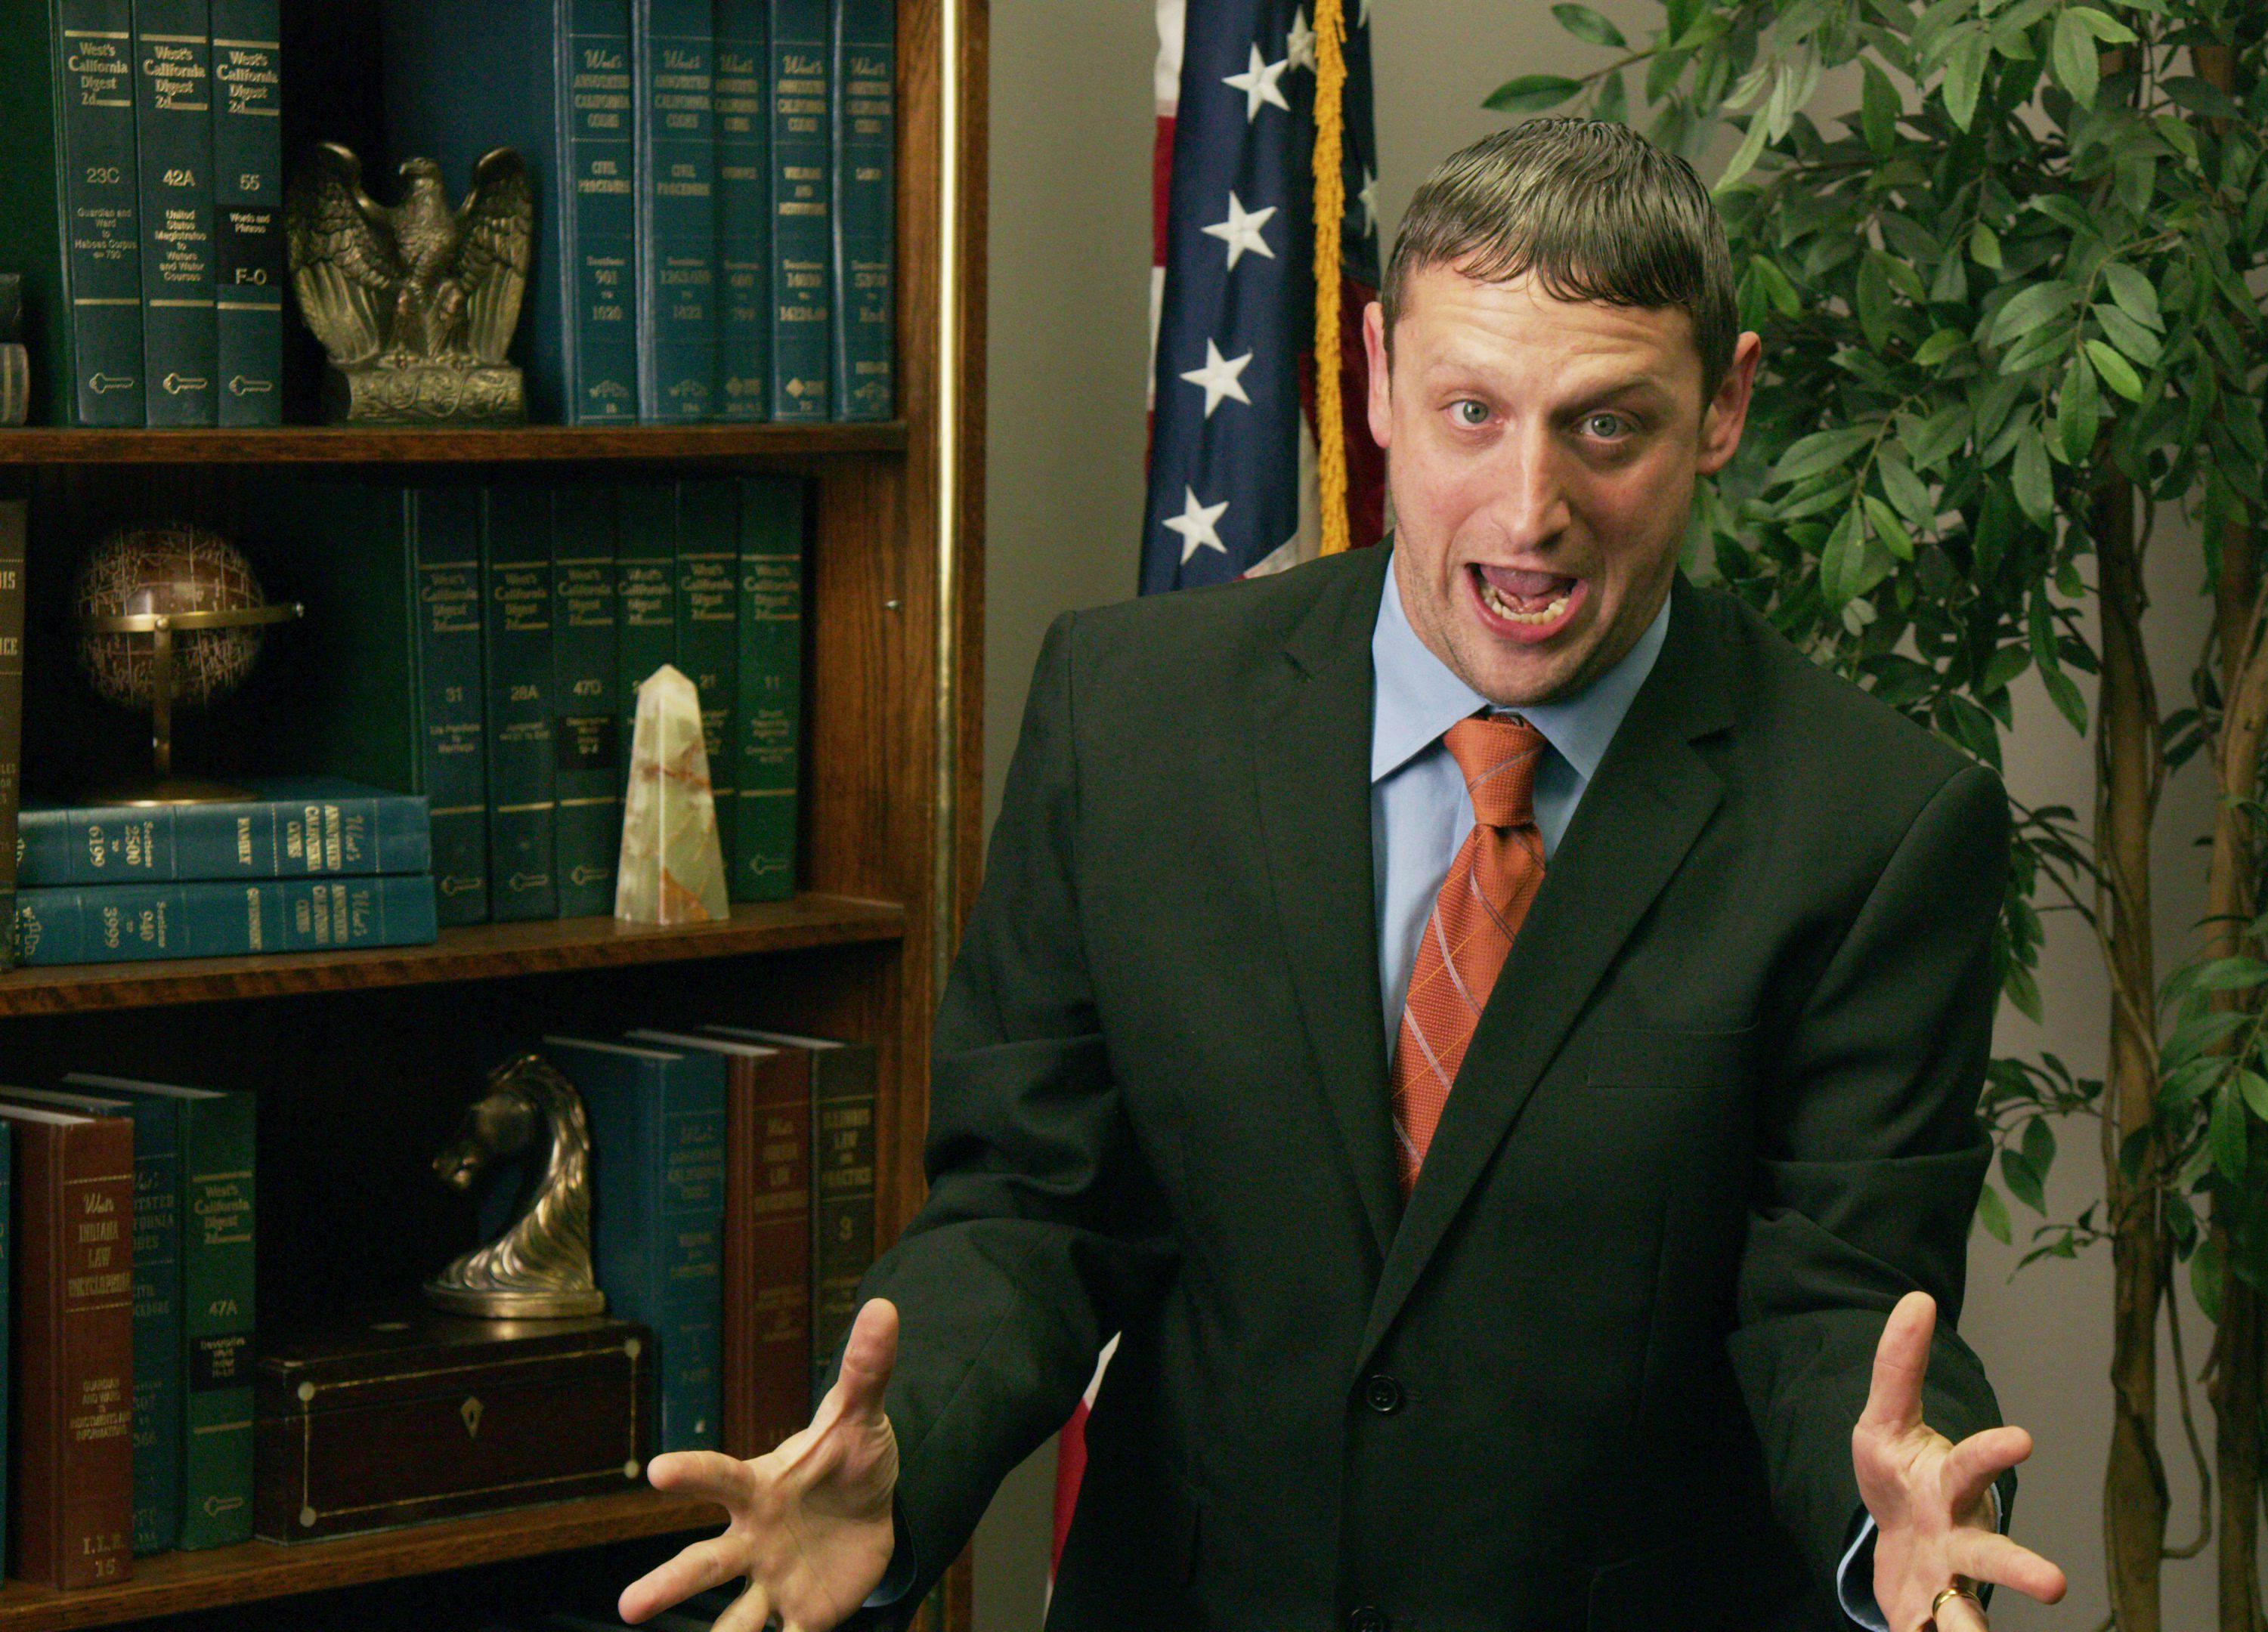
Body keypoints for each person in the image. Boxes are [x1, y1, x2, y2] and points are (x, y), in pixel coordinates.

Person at [619, 117, 2066, 1632]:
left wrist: (1897, 1496)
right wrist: (906, 1456)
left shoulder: (1877, 825)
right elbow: (1033, 1207)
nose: (1530, 510)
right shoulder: (1127, 716)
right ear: (1374, 376)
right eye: (1468, 411)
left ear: (1725, 406)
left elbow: (1839, 1304)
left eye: (1608, 426)